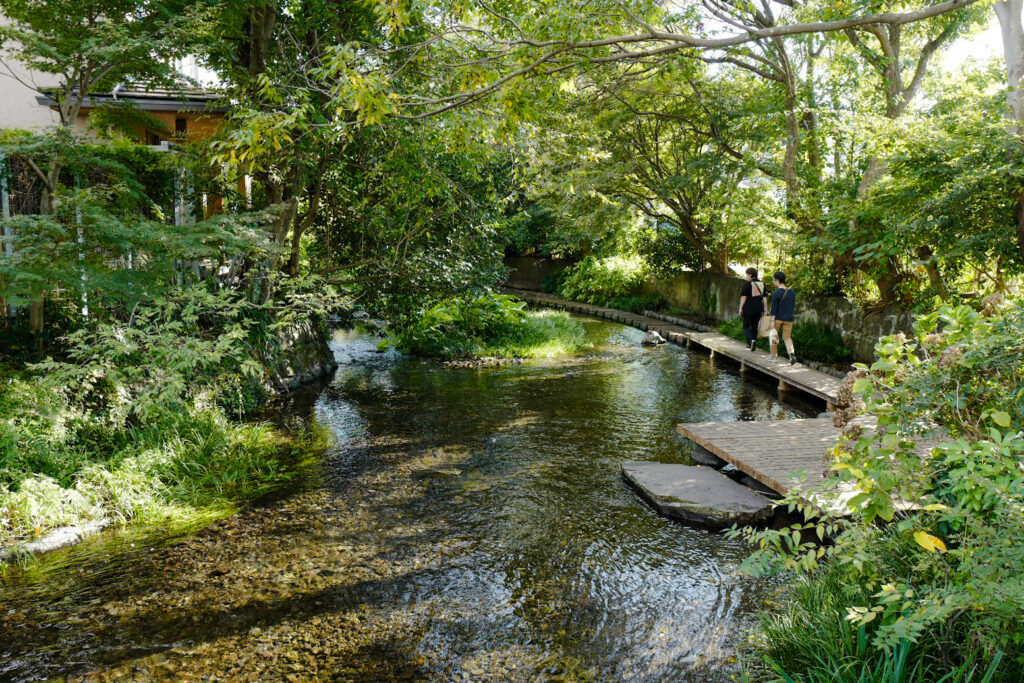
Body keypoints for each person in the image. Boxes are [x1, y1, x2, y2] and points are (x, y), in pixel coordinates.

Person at [769, 271, 797, 364]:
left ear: (777, 280)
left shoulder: (776, 293)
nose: (773, 282)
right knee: (787, 338)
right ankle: (791, 354)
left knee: (774, 336)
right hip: (789, 319)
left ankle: (773, 357)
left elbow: (774, 308)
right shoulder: (792, 292)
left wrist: (772, 320)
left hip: (778, 319)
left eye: (773, 280)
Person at [737, 267, 766, 352]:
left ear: (750, 275)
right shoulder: (762, 284)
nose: (746, 276)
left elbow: (743, 297)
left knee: (746, 326)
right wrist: (765, 308)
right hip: (758, 308)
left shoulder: (747, 284)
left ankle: (751, 341)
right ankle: (752, 344)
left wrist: (740, 308)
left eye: (747, 275)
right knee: (754, 326)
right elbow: (764, 297)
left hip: (749, 308)